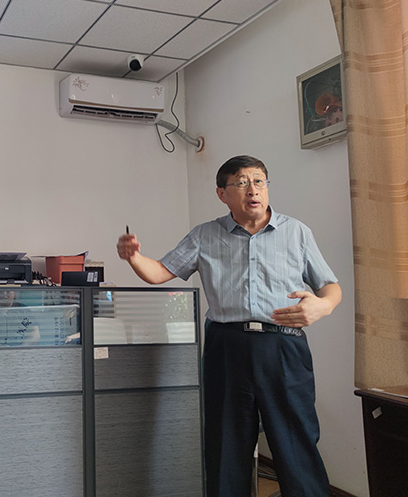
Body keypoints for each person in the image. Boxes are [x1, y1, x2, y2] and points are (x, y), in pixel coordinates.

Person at [116, 155, 341, 497]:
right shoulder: (205, 235)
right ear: (222, 193)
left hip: (283, 346)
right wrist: (133, 257)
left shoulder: (296, 232)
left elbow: (330, 287)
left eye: (259, 181)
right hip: (227, 346)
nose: (253, 190)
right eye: (241, 183)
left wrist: (322, 307)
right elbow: (159, 272)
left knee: (297, 442)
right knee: (225, 444)